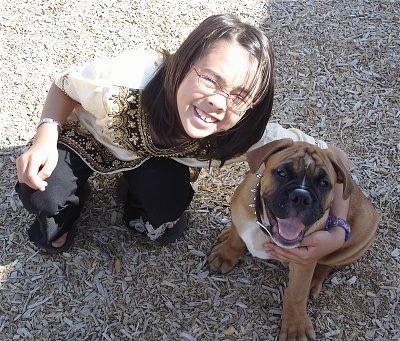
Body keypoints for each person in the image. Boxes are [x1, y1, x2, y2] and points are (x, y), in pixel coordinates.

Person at [15, 14, 349, 264]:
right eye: (210, 79)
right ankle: (73, 201)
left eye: (240, 96)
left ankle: (134, 196)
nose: (219, 102)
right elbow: (64, 86)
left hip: (158, 165)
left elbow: (333, 156)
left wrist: (338, 230)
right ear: (184, 63)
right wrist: (45, 135)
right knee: (42, 192)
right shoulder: (128, 79)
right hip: (91, 141)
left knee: (163, 212)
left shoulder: (242, 131)